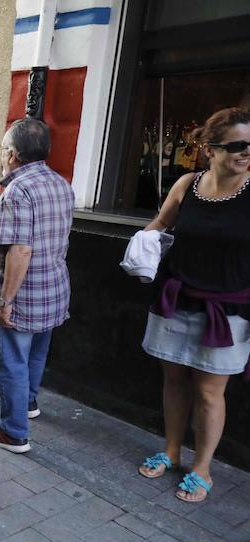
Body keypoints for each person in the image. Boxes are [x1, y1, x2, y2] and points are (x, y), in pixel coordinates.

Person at [137, 107, 250, 503]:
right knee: (174, 380)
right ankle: (171, 450)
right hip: (178, 297)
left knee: (208, 392)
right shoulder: (187, 184)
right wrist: (142, 244)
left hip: (228, 309)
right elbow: (160, 224)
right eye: (237, 145)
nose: (246, 152)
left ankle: (202, 468)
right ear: (210, 149)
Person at [0, 117, 74, 455]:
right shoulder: (60, 183)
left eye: (3, 150)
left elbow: (20, 250)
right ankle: (29, 403)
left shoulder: (19, 190)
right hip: (53, 289)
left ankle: (14, 432)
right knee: (36, 353)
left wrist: (5, 302)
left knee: (12, 362)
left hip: (24, 295)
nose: (1, 156)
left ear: (14, 154)